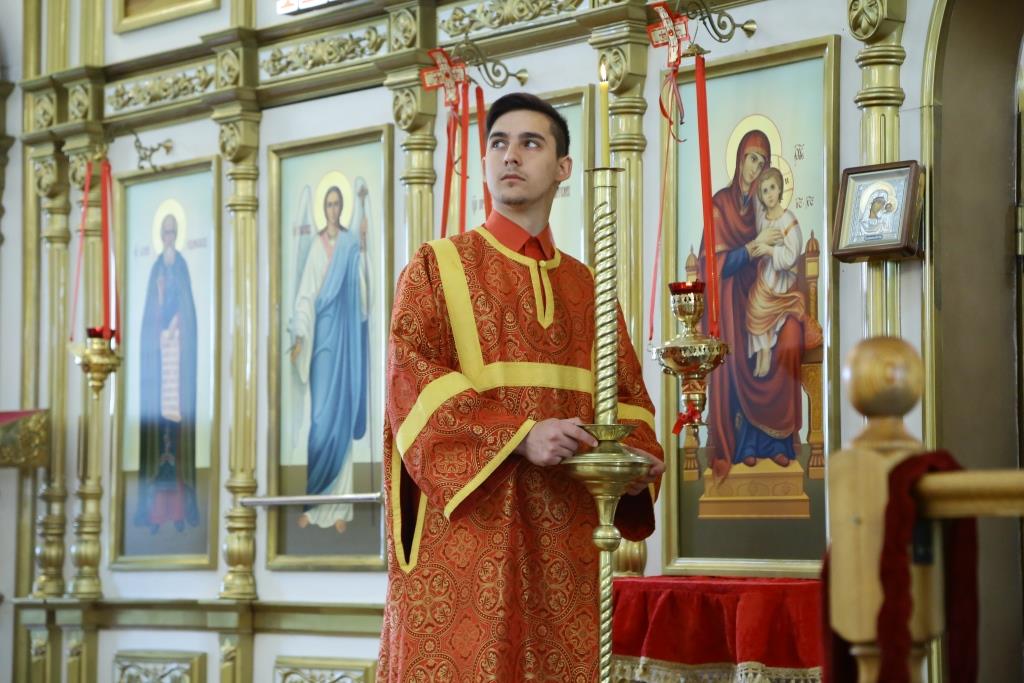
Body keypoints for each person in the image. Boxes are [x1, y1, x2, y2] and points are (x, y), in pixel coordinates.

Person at [378, 92, 664, 681]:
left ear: (562, 167)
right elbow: (412, 386)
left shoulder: (588, 287)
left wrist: (636, 460)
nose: (510, 155)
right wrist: (521, 436)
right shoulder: (437, 267)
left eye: (531, 143)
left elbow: (628, 398)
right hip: (469, 547)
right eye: (498, 143)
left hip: (567, 543)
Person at [698, 129, 804, 473]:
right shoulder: (720, 205)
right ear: (740, 158)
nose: (755, 168)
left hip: (765, 292)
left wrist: (767, 252)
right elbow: (709, 265)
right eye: (752, 159)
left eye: (762, 162)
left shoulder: (765, 209)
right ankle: (744, 443)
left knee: (790, 337)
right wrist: (751, 249)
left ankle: (779, 442)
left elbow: (788, 252)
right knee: (736, 345)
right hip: (732, 302)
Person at [290, 180, 370, 533]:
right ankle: (314, 504)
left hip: (346, 339)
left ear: (343, 207)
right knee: (321, 419)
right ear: (324, 209)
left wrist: (362, 252)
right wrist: (299, 335)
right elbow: (306, 295)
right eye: (329, 204)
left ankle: (341, 507)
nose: (334, 210)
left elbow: (363, 296)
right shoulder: (316, 247)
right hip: (322, 339)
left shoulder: (351, 243)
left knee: (341, 416)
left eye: (338, 204)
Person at [136, 213, 200, 533]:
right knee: (159, 432)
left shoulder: (182, 267)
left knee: (176, 434)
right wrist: (161, 306)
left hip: (178, 362)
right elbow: (151, 317)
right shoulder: (156, 270)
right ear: (161, 236)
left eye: (173, 232)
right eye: (166, 233)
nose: (169, 238)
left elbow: (187, 310)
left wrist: (178, 324)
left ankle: (178, 511)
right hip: (160, 366)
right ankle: (155, 514)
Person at [746, 167, 806, 379]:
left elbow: (792, 255)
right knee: (753, 306)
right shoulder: (763, 219)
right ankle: (762, 351)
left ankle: (767, 350)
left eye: (772, 188)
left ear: (780, 189)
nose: (770, 194)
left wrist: (770, 250)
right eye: (764, 191)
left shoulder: (788, 219)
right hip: (766, 274)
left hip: (782, 277)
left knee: (760, 305)